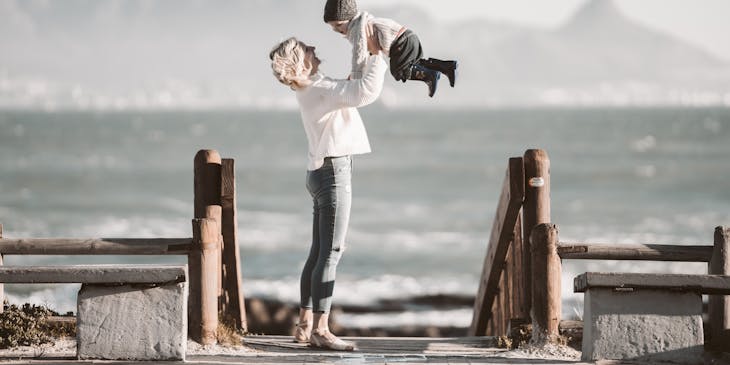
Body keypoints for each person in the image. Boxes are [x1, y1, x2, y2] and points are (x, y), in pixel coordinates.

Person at [269, 37, 387, 351]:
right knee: (331, 253)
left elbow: (346, 90)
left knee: (318, 252)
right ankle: (321, 329)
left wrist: (360, 58)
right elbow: (366, 92)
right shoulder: (321, 90)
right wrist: (378, 54)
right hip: (334, 172)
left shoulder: (313, 88)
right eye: (307, 49)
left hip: (318, 172)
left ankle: (305, 323)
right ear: (301, 61)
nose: (314, 48)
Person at [323, 0, 458, 98]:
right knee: (415, 65)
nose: (336, 30)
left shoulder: (357, 30)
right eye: (332, 27)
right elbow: (367, 53)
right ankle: (447, 67)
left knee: (399, 71)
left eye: (339, 25)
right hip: (408, 37)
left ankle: (430, 76)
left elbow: (358, 54)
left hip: (400, 43)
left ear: (350, 19)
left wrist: (355, 79)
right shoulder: (364, 21)